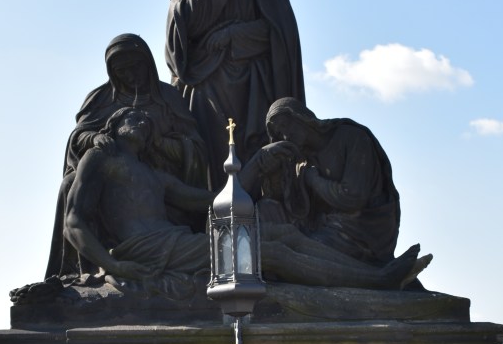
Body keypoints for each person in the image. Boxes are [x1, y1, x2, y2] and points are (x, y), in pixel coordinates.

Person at [64, 107, 430, 291]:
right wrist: (115, 266)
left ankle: (375, 273)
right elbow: (74, 222)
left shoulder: (155, 176)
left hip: (174, 243)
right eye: (133, 116)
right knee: (268, 253)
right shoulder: (101, 158)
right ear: (113, 125)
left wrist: (256, 164)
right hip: (146, 250)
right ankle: (378, 281)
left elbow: (216, 201)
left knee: (283, 233)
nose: (143, 121)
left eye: (147, 119)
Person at [166, 0, 305, 189]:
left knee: (257, 158)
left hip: (255, 87)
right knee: (212, 164)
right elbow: (178, 37)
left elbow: (281, 34)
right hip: (207, 90)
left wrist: (234, 34)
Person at [45, 34, 207, 278]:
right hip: (113, 177)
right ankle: (84, 268)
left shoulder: (168, 97)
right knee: (71, 184)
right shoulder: (100, 99)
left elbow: (195, 147)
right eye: (122, 71)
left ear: (147, 64)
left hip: (160, 176)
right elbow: (78, 136)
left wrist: (159, 144)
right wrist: (94, 138)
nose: (131, 76)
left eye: (136, 67)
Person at [243, 98, 401, 266]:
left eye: (286, 125)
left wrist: (314, 180)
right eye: (280, 133)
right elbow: (295, 208)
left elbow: (353, 198)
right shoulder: (301, 160)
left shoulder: (352, 137)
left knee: (292, 249)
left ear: (301, 117)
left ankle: (375, 274)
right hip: (325, 227)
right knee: (267, 210)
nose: (286, 136)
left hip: (362, 231)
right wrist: (264, 164)